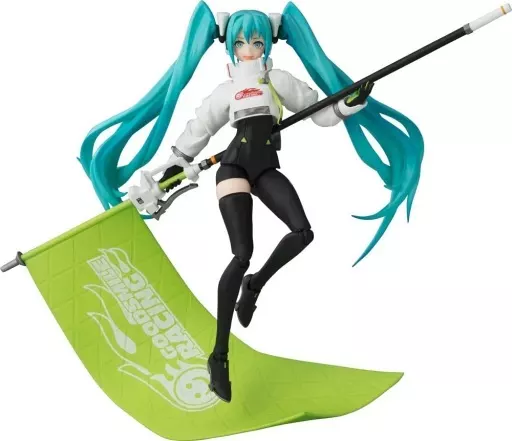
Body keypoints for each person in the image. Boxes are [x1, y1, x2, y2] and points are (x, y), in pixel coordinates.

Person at [79, 1, 424, 403]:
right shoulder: (225, 91)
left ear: (267, 43)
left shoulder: (277, 80)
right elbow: (196, 133)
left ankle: (254, 285)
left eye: (256, 42)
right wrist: (169, 174)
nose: (249, 49)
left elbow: (321, 114)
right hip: (231, 168)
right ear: (230, 46)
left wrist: (349, 103)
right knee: (242, 253)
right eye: (241, 42)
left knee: (302, 232)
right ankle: (219, 356)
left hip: (264, 169)